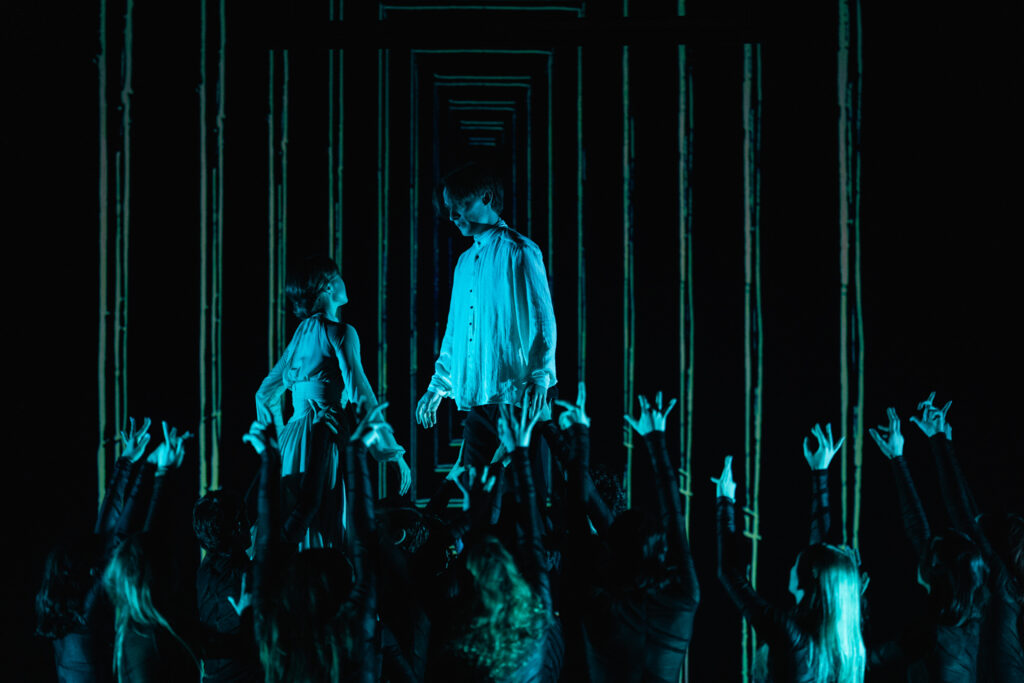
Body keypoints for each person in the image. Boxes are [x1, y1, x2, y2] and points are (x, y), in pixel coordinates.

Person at [415, 162, 557, 490]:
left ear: (487, 198)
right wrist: (438, 385)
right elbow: (456, 331)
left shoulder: (520, 250)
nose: (452, 215)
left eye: (460, 205)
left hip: (517, 395)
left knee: (520, 494)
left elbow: (542, 319)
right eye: (448, 207)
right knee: (477, 493)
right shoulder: (464, 262)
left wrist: (540, 377)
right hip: (478, 398)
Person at [255, 255, 410, 548]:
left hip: (292, 441)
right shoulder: (340, 332)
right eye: (337, 275)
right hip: (324, 434)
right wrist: (391, 453)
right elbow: (361, 394)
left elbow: (264, 394)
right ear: (327, 285)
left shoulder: (300, 335)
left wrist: (280, 438)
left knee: (298, 521)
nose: (343, 281)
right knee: (327, 522)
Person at [715, 442, 866, 683]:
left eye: (797, 562)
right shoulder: (843, 642)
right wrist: (820, 474)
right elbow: (822, 556)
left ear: (811, 574)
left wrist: (725, 501)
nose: (791, 568)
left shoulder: (791, 635)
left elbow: (729, 573)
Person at [868, 403, 988, 683]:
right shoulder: (979, 611)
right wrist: (902, 456)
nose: (921, 551)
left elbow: (867, 659)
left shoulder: (932, 635)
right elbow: (927, 530)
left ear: (935, 570)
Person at [36, 418, 155, 683]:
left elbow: (106, 533)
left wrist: (126, 462)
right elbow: (115, 539)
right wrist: (150, 468)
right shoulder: (86, 611)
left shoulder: (59, 610)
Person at [102, 422, 203, 683]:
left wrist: (156, 470)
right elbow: (120, 537)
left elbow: (138, 541)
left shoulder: (138, 624)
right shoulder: (150, 642)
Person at [192, 489, 261, 682]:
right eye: (245, 517)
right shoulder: (242, 577)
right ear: (237, 526)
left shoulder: (207, 568)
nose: (250, 523)